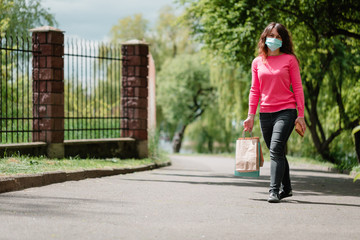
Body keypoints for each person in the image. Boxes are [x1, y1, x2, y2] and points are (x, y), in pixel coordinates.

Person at [243, 22, 306, 203]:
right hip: (266, 112)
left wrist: (300, 114)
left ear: (283, 40)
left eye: (278, 37)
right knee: (276, 150)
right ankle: (287, 188)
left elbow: (298, 88)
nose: (274, 39)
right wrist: (250, 115)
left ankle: (273, 190)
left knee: (276, 149)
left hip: (286, 110)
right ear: (265, 38)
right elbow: (255, 90)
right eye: (271, 36)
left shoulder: (290, 60)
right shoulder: (257, 62)